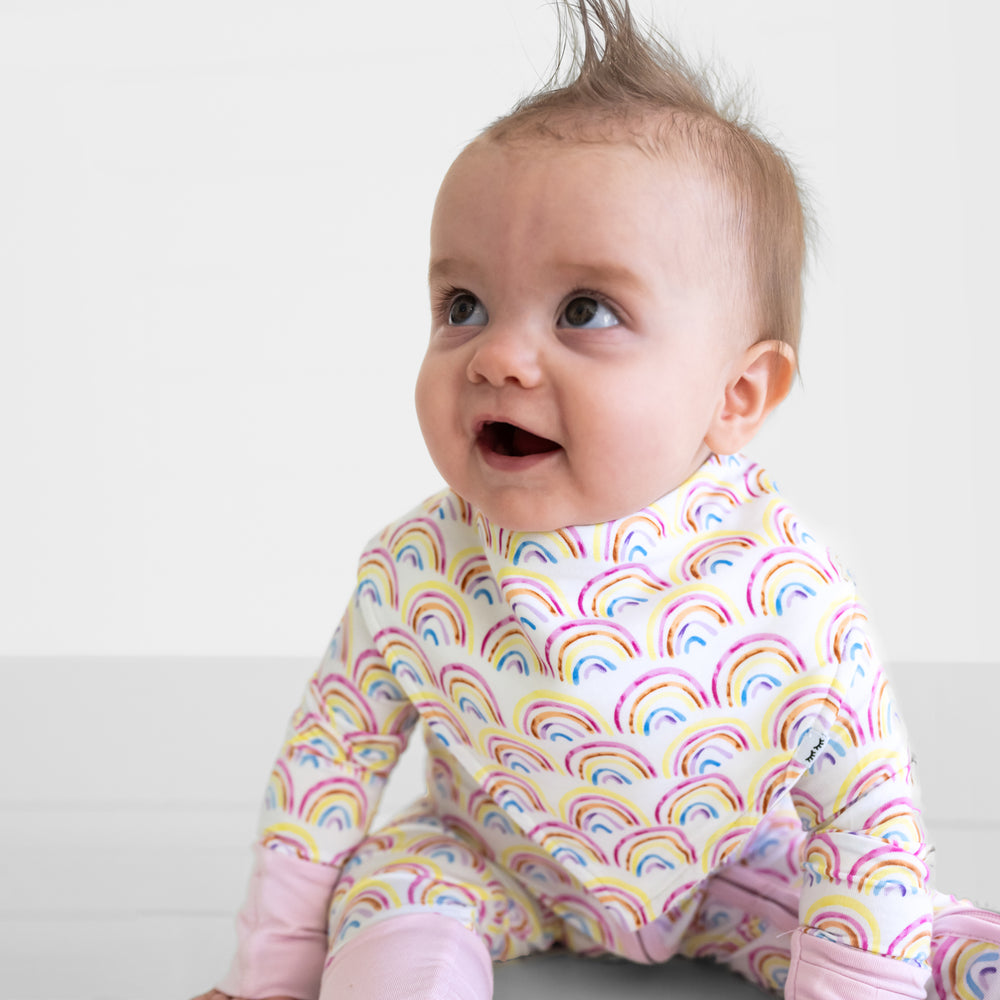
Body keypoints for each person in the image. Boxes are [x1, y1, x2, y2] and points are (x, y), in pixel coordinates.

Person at [191, 2, 1000, 998]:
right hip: (487, 857)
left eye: (586, 311)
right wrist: (268, 975)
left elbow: (866, 810)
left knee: (900, 925)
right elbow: (328, 763)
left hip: (727, 867)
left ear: (736, 395)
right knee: (390, 893)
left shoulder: (787, 592)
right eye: (462, 306)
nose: (494, 354)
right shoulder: (415, 572)